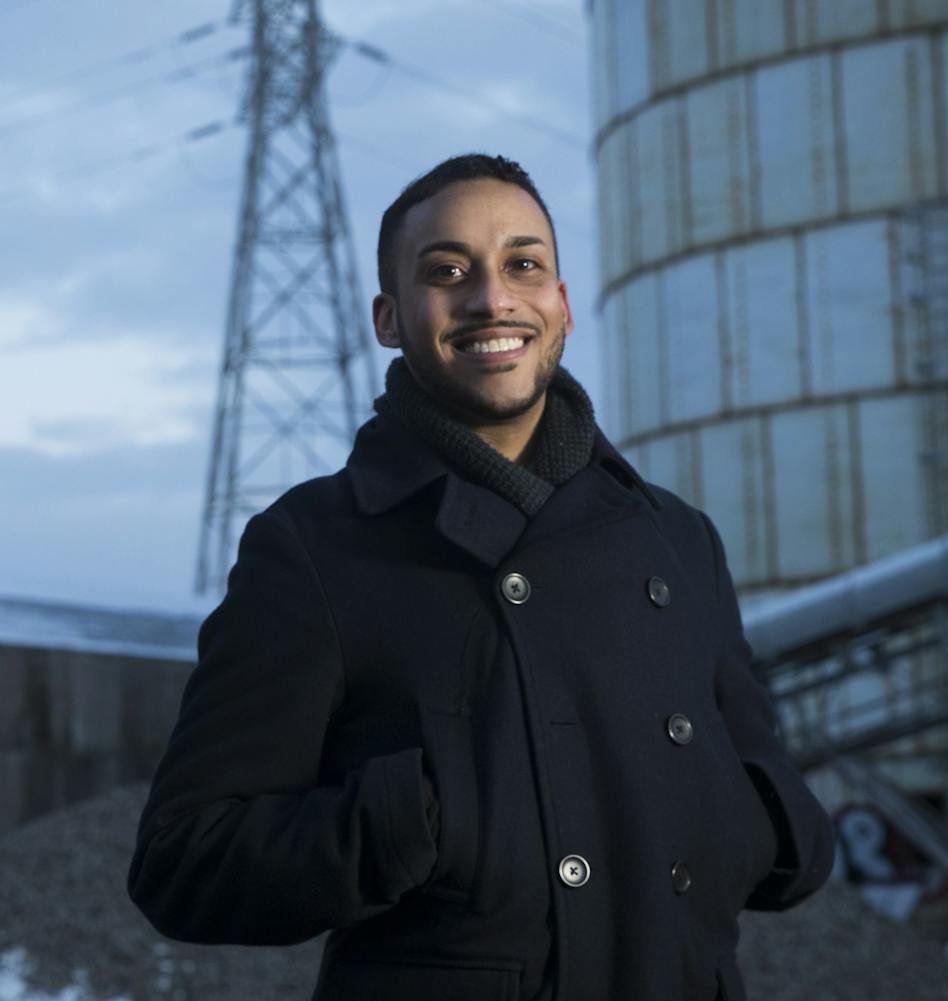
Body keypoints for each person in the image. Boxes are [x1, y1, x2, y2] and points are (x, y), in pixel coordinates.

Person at [128, 153, 835, 1001]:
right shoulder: (315, 545)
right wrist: (417, 820)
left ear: (562, 304)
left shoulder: (678, 538)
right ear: (390, 317)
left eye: (522, 265)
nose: (491, 298)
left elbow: (762, 778)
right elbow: (184, 858)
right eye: (447, 270)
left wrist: (751, 828)